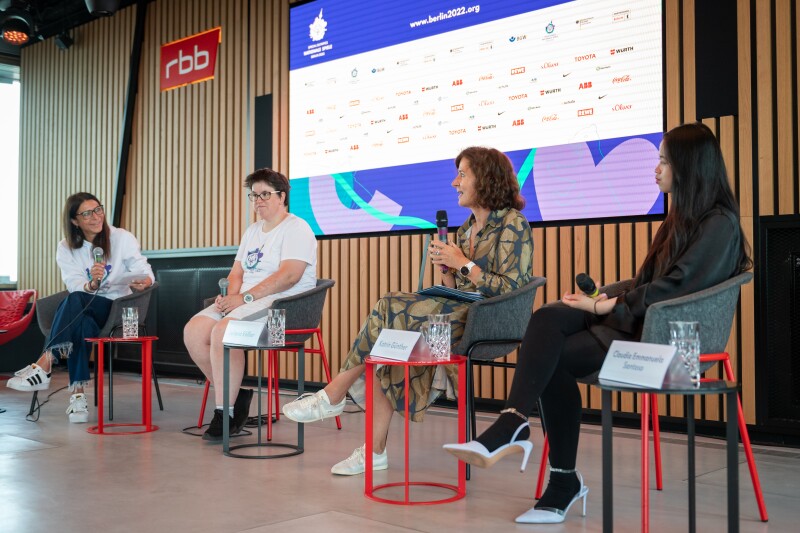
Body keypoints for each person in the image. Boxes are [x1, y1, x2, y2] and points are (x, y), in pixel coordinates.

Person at [443, 122, 753, 524]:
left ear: (689, 167)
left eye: (664, 161)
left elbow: (676, 287)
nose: (656, 168)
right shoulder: (679, 219)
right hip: (638, 324)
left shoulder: (720, 224)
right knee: (548, 316)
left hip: (673, 346)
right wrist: (599, 301)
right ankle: (514, 424)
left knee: (553, 358)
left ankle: (553, 473)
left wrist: (608, 307)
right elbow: (648, 284)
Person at [282, 146, 534, 475]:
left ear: (486, 178)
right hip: (459, 315)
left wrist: (463, 263)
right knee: (388, 347)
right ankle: (373, 451)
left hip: (492, 322)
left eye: (462, 174)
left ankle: (334, 395)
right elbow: (461, 290)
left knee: (391, 307)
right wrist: (448, 270)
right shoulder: (466, 229)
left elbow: (511, 290)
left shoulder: (513, 223)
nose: (455, 182)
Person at [183, 168, 317, 441]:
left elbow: (289, 276)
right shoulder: (252, 231)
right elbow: (237, 273)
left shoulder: (297, 228)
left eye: (265, 194)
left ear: (282, 196)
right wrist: (229, 297)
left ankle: (225, 413)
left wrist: (243, 298)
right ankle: (237, 397)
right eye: (254, 196)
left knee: (224, 331)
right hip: (248, 300)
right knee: (194, 331)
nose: (258, 201)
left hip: (283, 308)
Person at [7, 193, 155, 423]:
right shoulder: (65, 248)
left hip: (117, 309)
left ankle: (45, 362)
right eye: (87, 214)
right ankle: (78, 398)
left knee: (76, 301)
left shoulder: (121, 238)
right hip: (86, 309)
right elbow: (74, 284)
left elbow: (145, 271)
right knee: (81, 322)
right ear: (75, 221)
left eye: (98, 209)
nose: (96, 217)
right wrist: (92, 284)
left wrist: (145, 281)